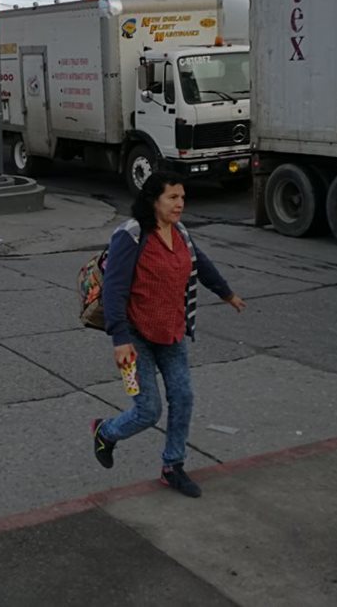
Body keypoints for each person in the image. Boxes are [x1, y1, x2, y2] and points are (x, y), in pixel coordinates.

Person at [91, 172, 246, 498]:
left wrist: (226, 293)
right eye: (173, 198)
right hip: (135, 338)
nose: (180, 204)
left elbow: (199, 264)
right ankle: (106, 431)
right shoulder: (131, 235)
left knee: (184, 398)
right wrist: (120, 339)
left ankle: (172, 466)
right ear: (153, 200)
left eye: (182, 198)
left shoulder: (180, 233)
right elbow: (114, 290)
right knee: (148, 411)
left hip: (172, 332)